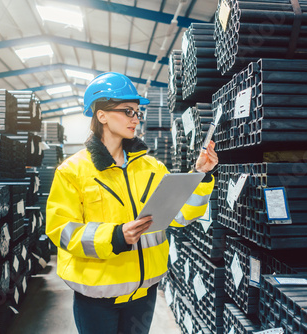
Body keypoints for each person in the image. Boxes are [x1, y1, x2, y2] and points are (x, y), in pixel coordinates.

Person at [46, 72, 218, 334]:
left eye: (137, 112)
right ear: (101, 115)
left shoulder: (152, 167)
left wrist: (200, 176)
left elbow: (181, 216)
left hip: (144, 293)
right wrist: (115, 236)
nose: (135, 118)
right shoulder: (72, 171)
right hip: (97, 299)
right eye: (128, 111)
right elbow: (62, 230)